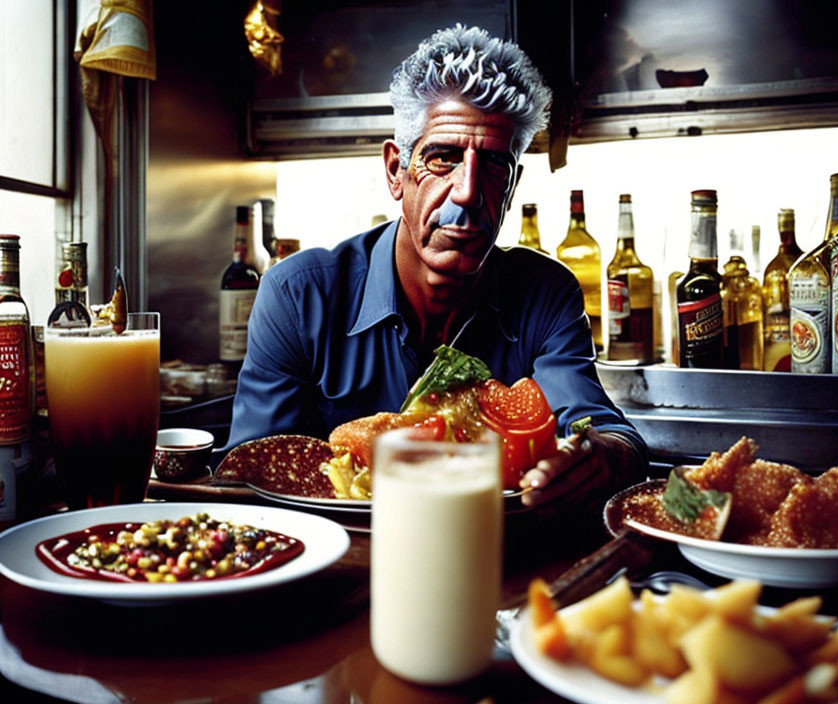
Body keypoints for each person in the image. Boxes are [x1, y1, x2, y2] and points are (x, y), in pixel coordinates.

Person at [226, 24, 647, 505]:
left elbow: (611, 434)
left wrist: (600, 459)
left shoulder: (546, 294)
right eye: (443, 157)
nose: (468, 192)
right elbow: (250, 475)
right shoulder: (298, 296)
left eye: (492, 166)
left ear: (511, 188)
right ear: (395, 172)